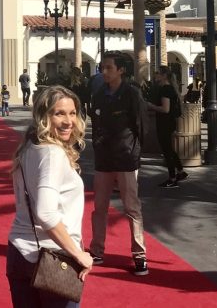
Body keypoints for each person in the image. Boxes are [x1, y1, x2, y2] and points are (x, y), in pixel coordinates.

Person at [7, 85, 93, 306]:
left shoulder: (28, 147)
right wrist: (77, 253)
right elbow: (46, 213)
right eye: (59, 113)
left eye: (72, 113)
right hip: (52, 258)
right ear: (44, 117)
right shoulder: (52, 154)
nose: (68, 121)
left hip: (19, 253)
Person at [89, 51, 148, 276]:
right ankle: (97, 250)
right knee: (99, 208)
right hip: (103, 158)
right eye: (102, 68)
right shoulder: (99, 93)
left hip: (126, 159)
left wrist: (134, 151)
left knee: (132, 208)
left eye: (108, 68)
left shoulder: (132, 94)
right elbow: (95, 122)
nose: (104, 72)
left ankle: (139, 255)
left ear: (121, 70)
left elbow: (141, 126)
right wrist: (96, 143)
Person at [146, 66, 187, 188]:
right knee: (169, 148)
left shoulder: (165, 89)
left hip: (164, 123)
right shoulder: (171, 88)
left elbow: (165, 109)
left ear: (164, 75)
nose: (155, 75)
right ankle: (180, 171)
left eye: (157, 73)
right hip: (169, 122)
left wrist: (150, 106)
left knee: (167, 151)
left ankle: (172, 178)